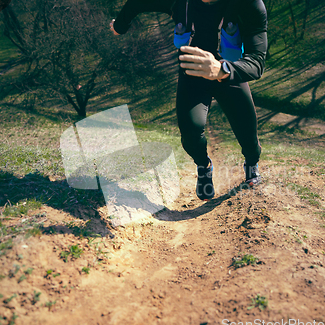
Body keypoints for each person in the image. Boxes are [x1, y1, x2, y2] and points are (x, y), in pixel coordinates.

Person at [110, 0, 267, 201]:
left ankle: (252, 164)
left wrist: (222, 70)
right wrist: (119, 26)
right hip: (192, 76)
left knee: (248, 132)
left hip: (229, 74)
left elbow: (257, 61)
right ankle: (204, 166)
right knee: (191, 132)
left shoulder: (249, 4)